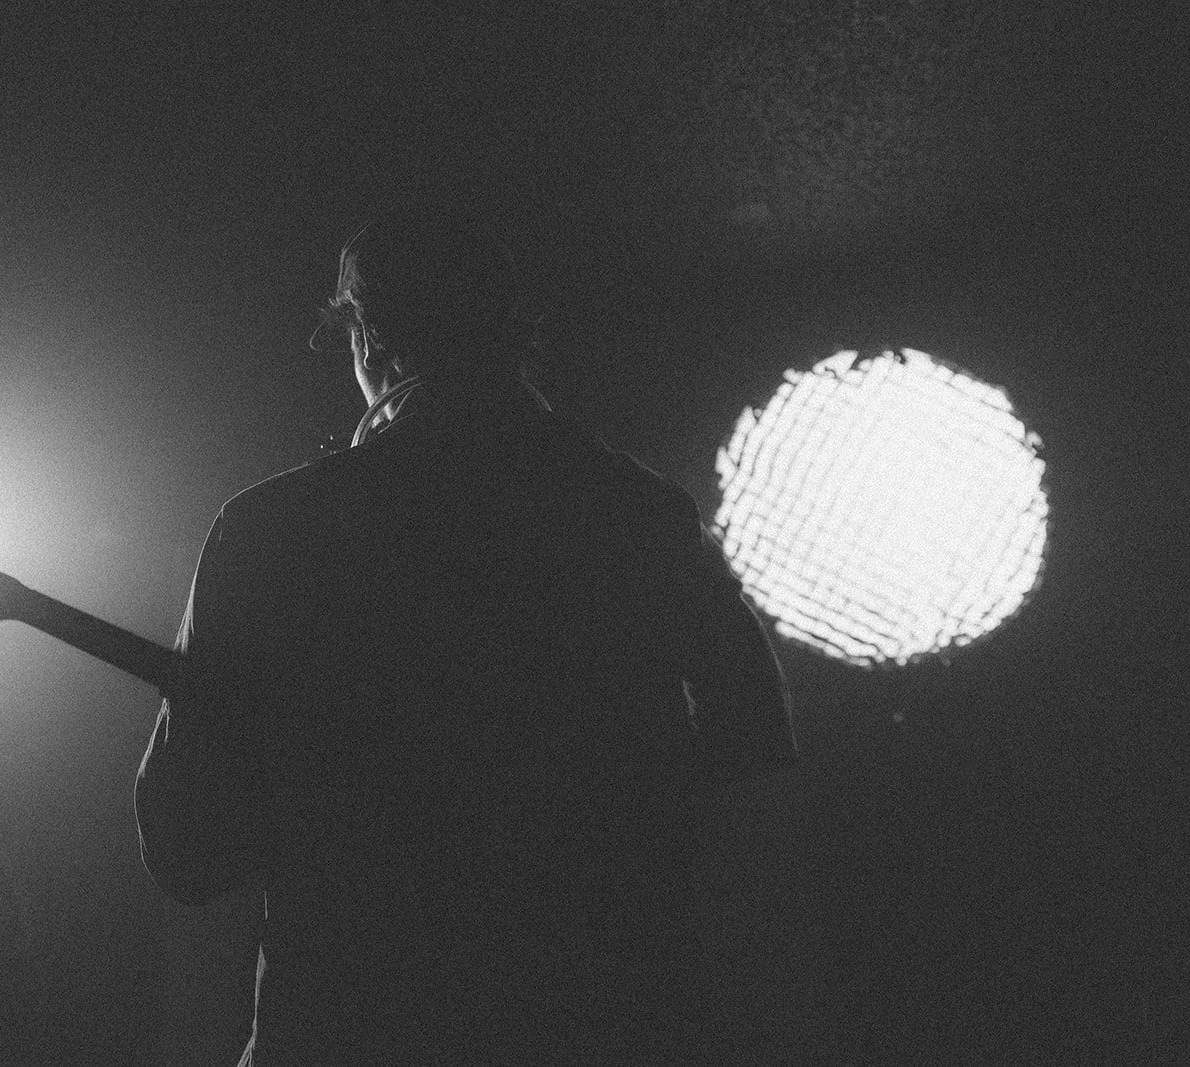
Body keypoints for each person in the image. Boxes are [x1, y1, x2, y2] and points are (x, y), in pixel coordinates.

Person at [135, 202, 796, 1064]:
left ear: (367, 339)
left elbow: (188, 850)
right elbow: (758, 773)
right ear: (516, 335)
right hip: (615, 1025)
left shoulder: (276, 531)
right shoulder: (636, 514)